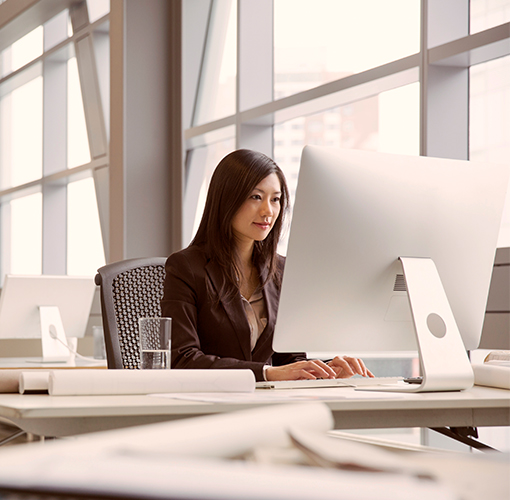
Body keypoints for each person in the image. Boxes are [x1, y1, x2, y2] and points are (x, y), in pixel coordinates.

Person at [161, 149, 373, 382]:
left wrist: (325, 370)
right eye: (256, 197)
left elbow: (289, 362)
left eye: (275, 199)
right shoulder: (186, 268)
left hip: (266, 405)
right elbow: (182, 359)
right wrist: (265, 373)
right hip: (209, 405)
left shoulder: (282, 271)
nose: (268, 212)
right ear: (227, 198)